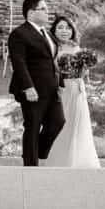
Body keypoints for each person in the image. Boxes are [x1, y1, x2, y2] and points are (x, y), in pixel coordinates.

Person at [8, 0, 65, 166]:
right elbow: (19, 62)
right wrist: (28, 87)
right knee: (33, 127)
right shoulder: (19, 34)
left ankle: (36, 151)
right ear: (31, 13)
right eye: (44, 9)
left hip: (52, 89)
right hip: (32, 90)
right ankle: (30, 166)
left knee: (58, 122)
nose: (48, 12)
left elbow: (52, 60)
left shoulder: (47, 33)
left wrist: (60, 83)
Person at [42, 17, 100, 168]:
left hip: (78, 89)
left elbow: (85, 73)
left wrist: (85, 74)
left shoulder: (77, 48)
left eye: (68, 28)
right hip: (59, 89)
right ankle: (56, 160)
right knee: (61, 123)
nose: (64, 31)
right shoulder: (50, 47)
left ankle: (77, 161)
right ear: (54, 30)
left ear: (72, 31)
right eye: (60, 27)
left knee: (77, 124)